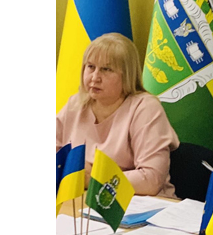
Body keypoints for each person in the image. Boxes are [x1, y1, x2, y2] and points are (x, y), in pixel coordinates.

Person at [56, 33, 179, 197]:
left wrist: (93, 179)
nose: (95, 77)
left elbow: (151, 180)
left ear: (127, 75)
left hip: (137, 204)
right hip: (82, 201)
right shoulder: (76, 104)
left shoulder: (145, 107)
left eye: (106, 69)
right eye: (91, 67)